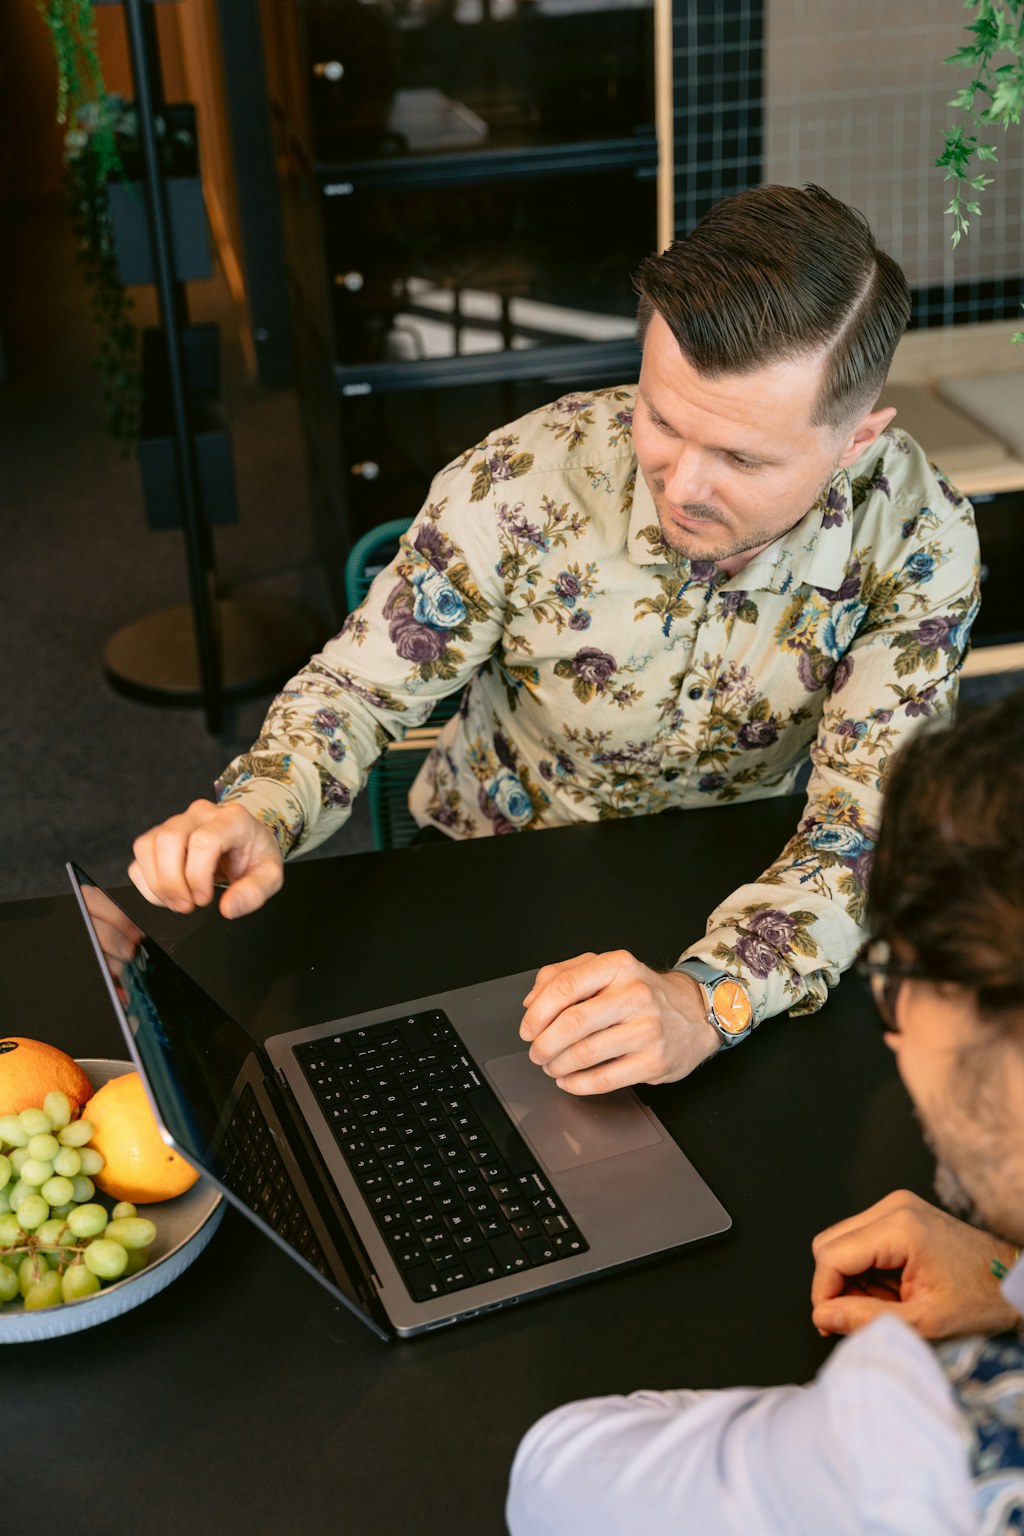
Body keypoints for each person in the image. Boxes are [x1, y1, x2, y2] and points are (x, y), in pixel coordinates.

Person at [129, 184, 980, 1096]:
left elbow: (867, 822)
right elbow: (361, 690)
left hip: (755, 880)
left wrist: (708, 1002)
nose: (682, 486)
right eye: (662, 419)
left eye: (741, 458)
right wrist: (259, 808)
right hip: (501, 866)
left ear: (856, 441)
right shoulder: (521, 480)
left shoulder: (918, 538)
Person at [506, 689, 1024, 1535]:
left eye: (900, 982)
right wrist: (1008, 1273)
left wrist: (848, 1403)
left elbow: (558, 1479)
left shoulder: (925, 1448)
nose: (893, 1028)